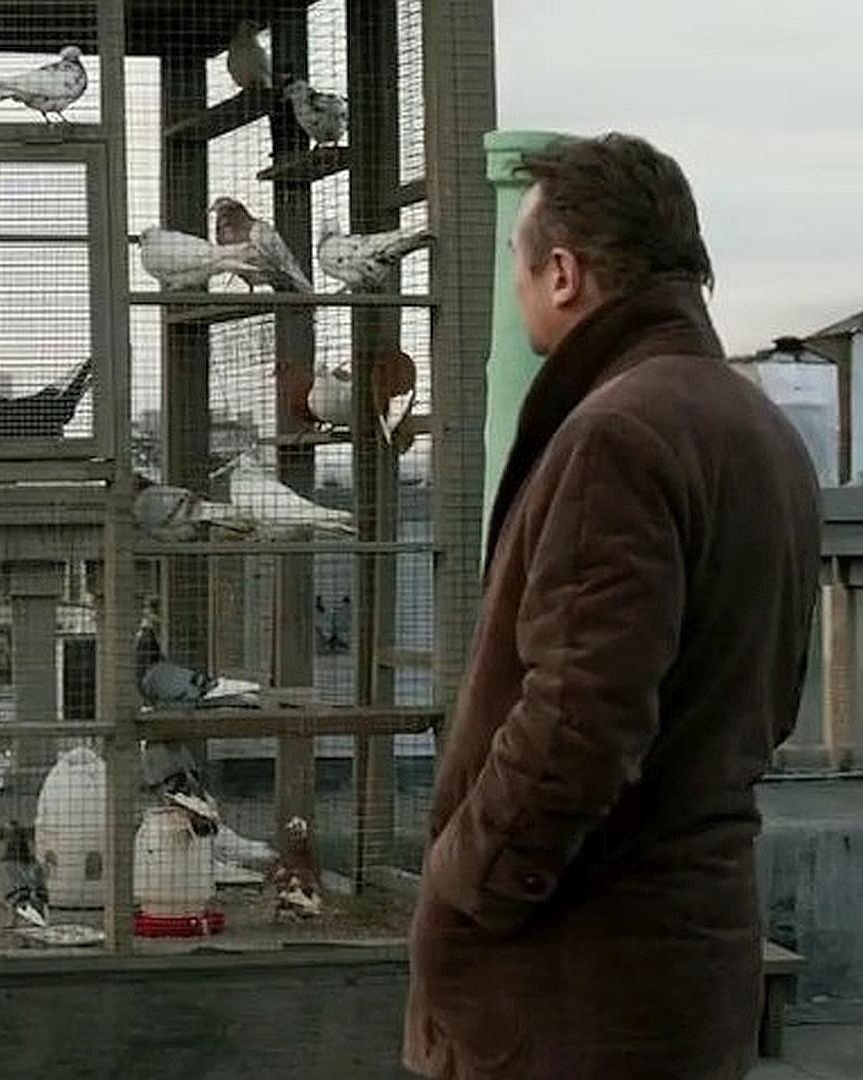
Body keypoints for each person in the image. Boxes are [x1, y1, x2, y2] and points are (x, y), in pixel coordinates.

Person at [404, 134, 822, 1078]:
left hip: (574, 990)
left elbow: (579, 716)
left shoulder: (615, 435)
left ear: (563, 274)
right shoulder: (761, 430)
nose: (516, 287)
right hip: (695, 957)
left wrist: (466, 882)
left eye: (518, 262)